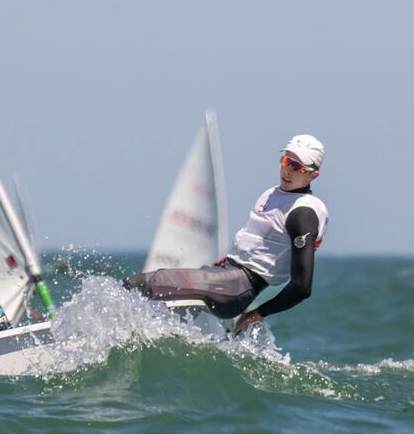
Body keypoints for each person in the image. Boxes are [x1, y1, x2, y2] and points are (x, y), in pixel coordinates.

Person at [124, 134, 329, 335]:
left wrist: (257, 313)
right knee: (158, 321)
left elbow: (302, 286)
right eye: (286, 160)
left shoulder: (303, 212)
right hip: (223, 274)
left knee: (141, 283)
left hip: (234, 287)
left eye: (297, 166)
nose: (287, 170)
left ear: (313, 175)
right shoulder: (273, 194)